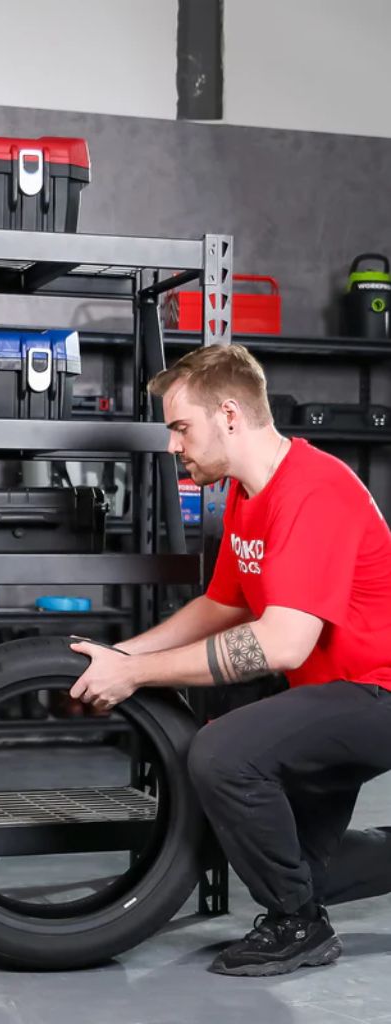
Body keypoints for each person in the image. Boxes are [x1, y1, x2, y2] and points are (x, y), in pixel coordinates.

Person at [68, 343, 391, 977]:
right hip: (331, 696)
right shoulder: (248, 495)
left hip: (377, 694)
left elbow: (280, 645)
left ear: (231, 414)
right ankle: (305, 897)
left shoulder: (316, 491)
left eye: (181, 426)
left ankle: (298, 927)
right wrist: (122, 652)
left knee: (221, 751)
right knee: (304, 866)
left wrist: (135, 675)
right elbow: (222, 607)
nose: (172, 445)